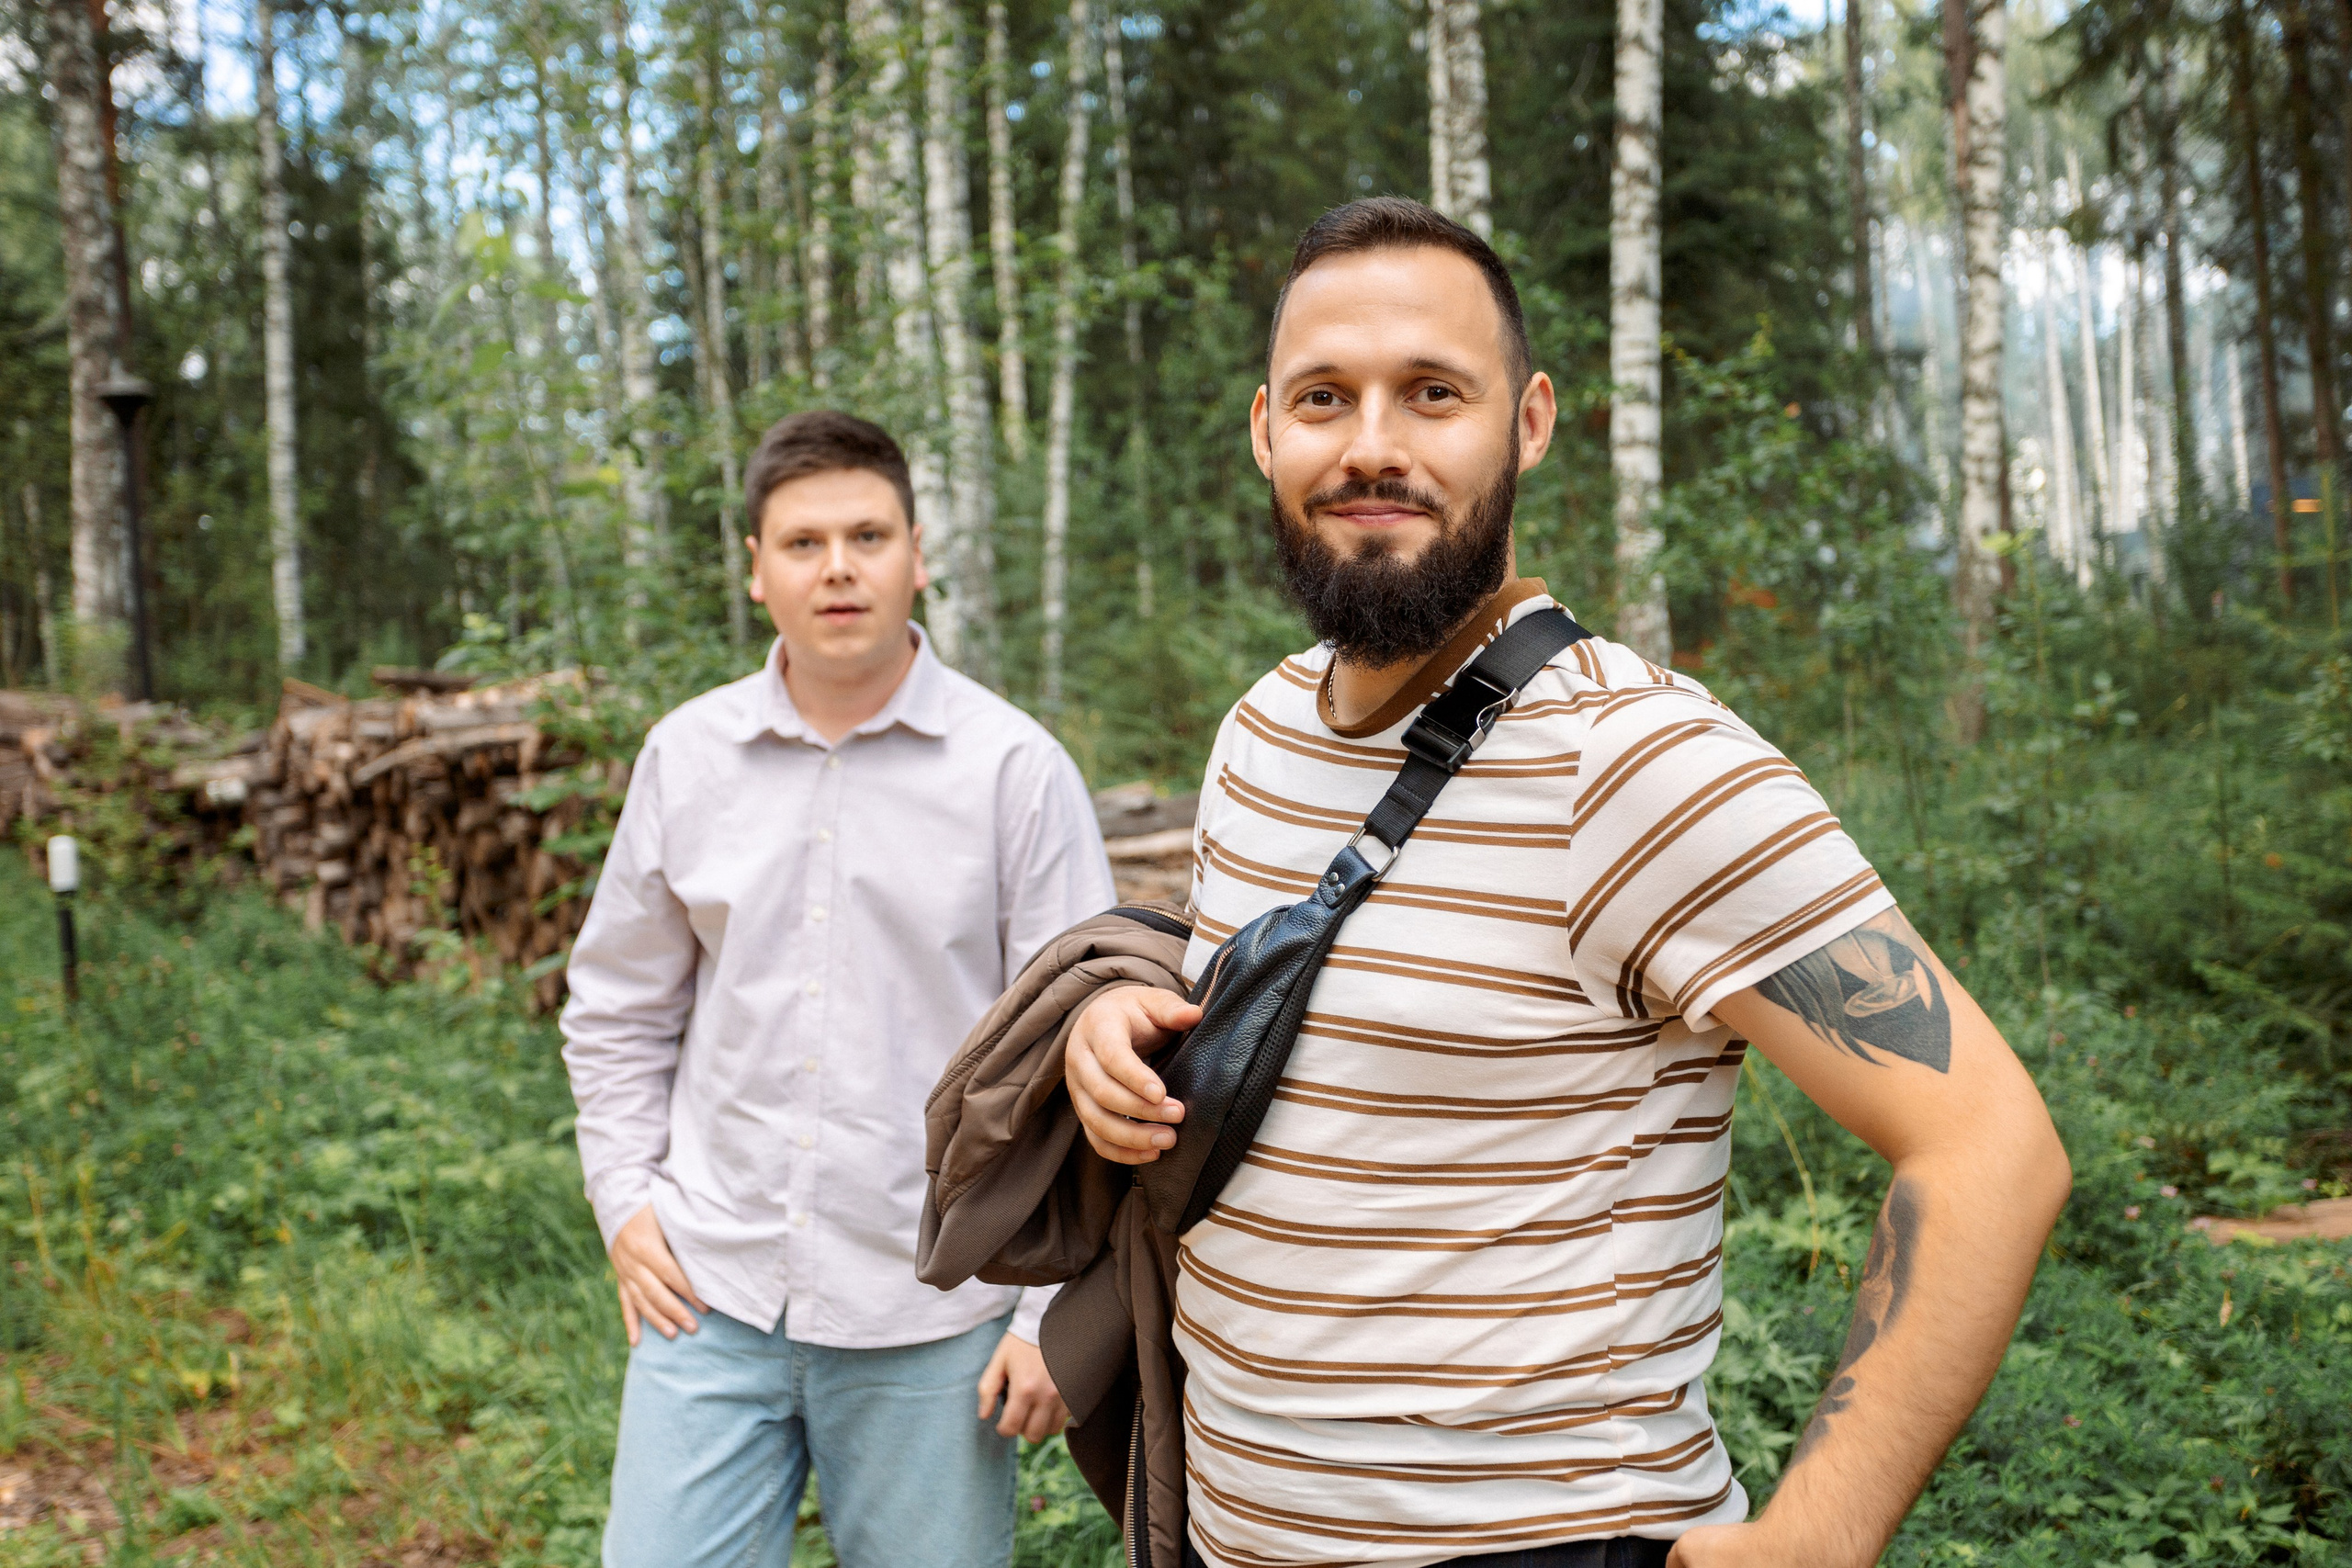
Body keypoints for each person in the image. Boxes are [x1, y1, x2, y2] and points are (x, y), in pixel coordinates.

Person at [1060, 198, 2072, 1568]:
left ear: (1528, 422)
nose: (1372, 446)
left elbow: (1989, 1148)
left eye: (1433, 393)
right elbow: (1288, 1011)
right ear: (1262, 430)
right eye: (1323, 397)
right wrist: (1119, 1020)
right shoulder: (1258, 729)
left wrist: (1819, 1533)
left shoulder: (1636, 764)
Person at [561, 410, 1117, 1568]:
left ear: (917, 553)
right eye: (804, 543)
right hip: (708, 1295)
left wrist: (1042, 1311)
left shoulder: (1014, 772)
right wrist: (624, 1200)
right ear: (756, 571)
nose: (839, 568)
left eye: (867, 536)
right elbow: (618, 1006)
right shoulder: (685, 757)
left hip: (933, 1319)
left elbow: (1082, 1057)